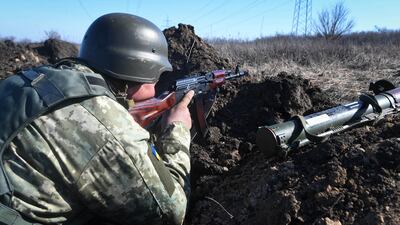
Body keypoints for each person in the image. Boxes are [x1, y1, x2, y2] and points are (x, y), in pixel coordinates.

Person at [0, 13, 193, 225]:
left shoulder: (32, 80)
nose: (157, 83)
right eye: (158, 75)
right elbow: (171, 212)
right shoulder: (107, 130)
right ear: (141, 70)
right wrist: (178, 129)